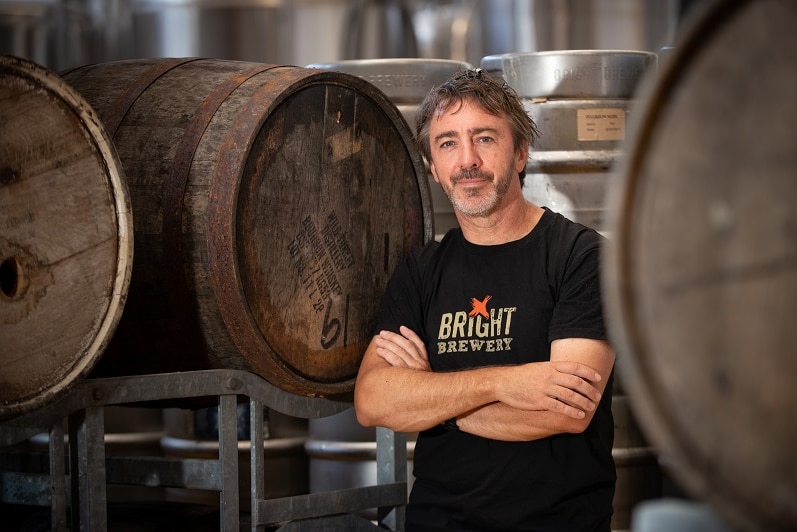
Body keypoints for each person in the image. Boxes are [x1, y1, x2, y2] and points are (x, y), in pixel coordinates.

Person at [354, 68, 616, 531]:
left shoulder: (580, 256)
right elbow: (373, 401)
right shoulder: (420, 272)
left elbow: (568, 410)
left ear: (521, 152)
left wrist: (434, 396)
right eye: (448, 143)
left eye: (485, 138)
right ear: (433, 167)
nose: (467, 160)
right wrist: (503, 385)